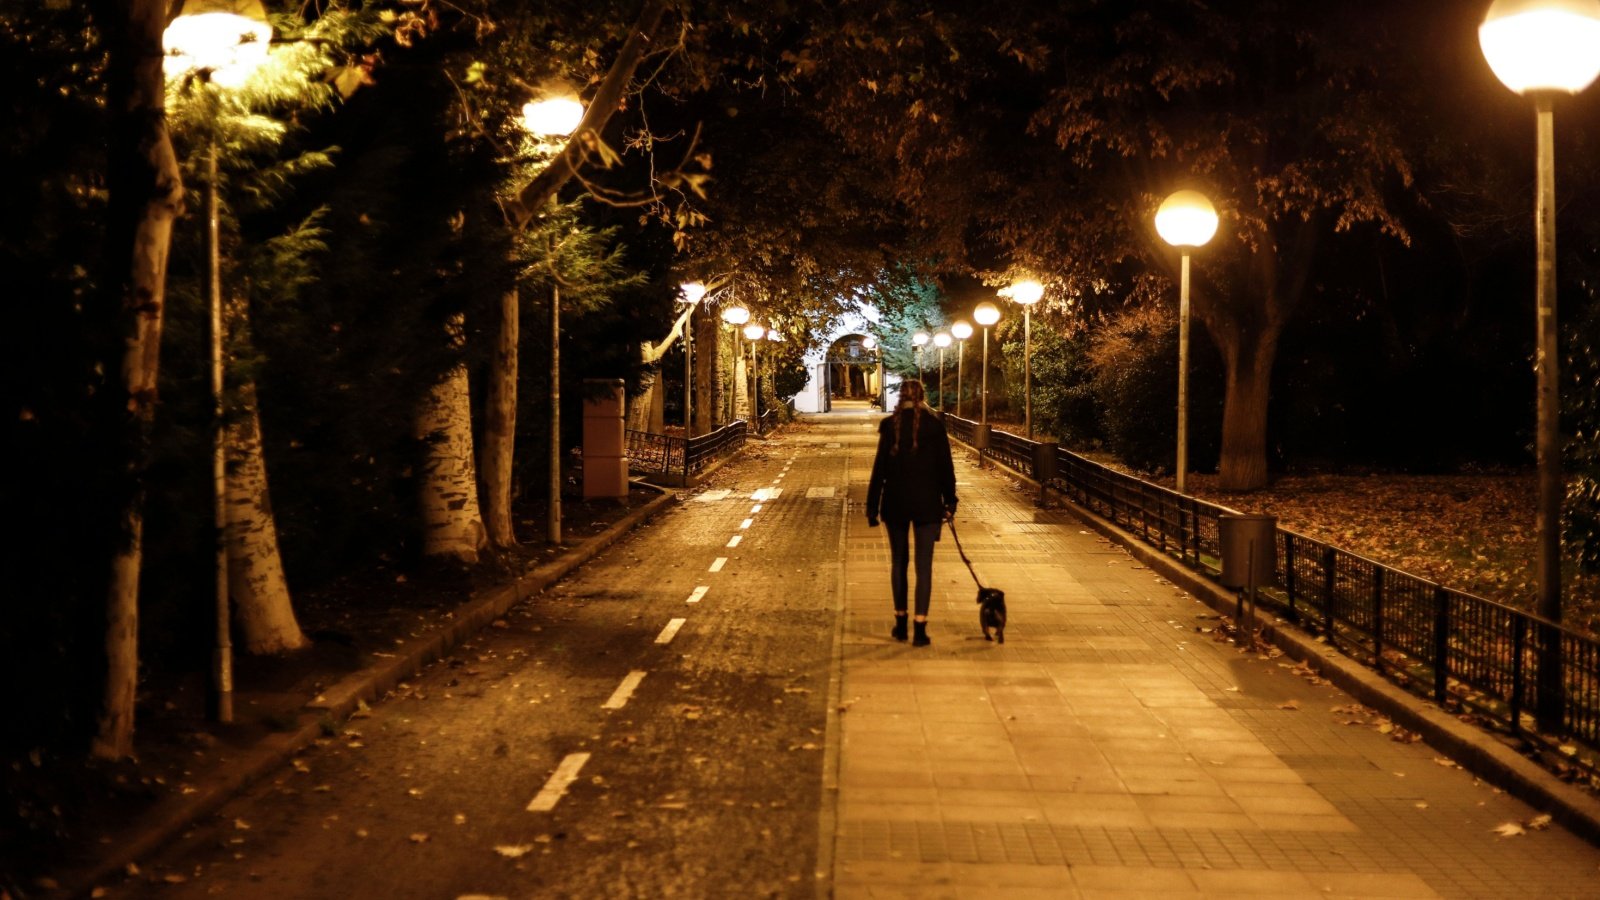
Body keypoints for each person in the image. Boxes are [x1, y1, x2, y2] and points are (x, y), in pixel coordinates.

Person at [865, 379, 957, 646]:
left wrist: (872, 507)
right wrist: (950, 502)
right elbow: (945, 469)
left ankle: (900, 624)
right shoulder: (935, 427)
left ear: (900, 398)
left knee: (899, 563)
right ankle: (920, 628)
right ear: (922, 396)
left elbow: (879, 470)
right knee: (924, 567)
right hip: (928, 505)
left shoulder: (890, 426)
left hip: (895, 504)